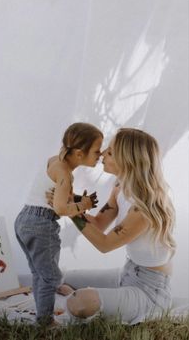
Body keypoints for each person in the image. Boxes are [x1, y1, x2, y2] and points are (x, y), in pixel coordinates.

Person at [47, 128, 176, 324]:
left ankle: (74, 298)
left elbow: (104, 244)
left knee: (80, 301)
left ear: (128, 160)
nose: (102, 154)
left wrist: (69, 210)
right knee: (62, 277)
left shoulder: (144, 208)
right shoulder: (120, 188)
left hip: (149, 292)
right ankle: (73, 294)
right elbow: (98, 224)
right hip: (127, 273)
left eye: (111, 152)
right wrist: (71, 200)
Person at [14, 122, 103, 325]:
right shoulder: (64, 173)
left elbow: (59, 197)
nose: (100, 155)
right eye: (97, 152)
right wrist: (84, 205)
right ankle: (45, 322)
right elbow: (60, 209)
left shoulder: (55, 161)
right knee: (50, 277)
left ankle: (41, 313)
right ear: (80, 153)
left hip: (24, 219)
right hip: (41, 225)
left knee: (39, 273)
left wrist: (80, 200)